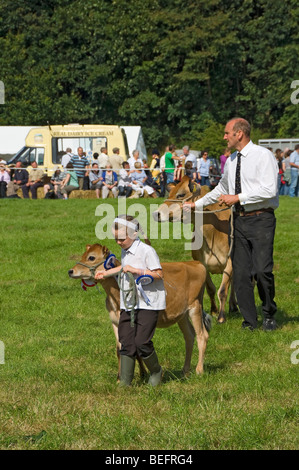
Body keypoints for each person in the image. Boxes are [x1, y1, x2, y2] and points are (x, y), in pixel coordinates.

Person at [183, 117, 279, 332]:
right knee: (241, 272)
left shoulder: (263, 156)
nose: (224, 137)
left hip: (262, 220)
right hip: (238, 221)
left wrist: (238, 198)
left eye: (227, 133)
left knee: (262, 271)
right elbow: (221, 190)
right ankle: (249, 321)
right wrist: (196, 205)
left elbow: (270, 190)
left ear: (239, 134)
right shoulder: (233, 160)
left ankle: (269, 313)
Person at [95, 215, 165, 386]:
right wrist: (106, 273)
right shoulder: (125, 250)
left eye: (121, 239)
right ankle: (125, 381)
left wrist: (137, 271)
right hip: (129, 302)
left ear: (134, 234)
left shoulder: (147, 251)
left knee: (142, 341)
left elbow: (159, 274)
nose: (118, 242)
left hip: (148, 303)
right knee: (125, 340)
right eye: (115, 239)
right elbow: (124, 267)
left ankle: (156, 372)